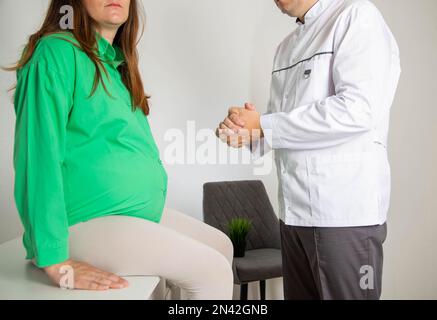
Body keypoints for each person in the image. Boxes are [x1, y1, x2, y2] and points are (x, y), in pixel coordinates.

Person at [8, 0, 233, 299]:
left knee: (222, 246)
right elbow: (37, 159)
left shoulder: (116, 65)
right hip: (85, 221)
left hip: (130, 216)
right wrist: (55, 260)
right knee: (211, 271)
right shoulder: (56, 52)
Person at [216, 0, 401, 300]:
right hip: (292, 215)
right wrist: (245, 133)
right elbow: (280, 125)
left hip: (343, 217)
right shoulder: (286, 47)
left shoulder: (356, 15)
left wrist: (263, 124)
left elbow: (359, 110)